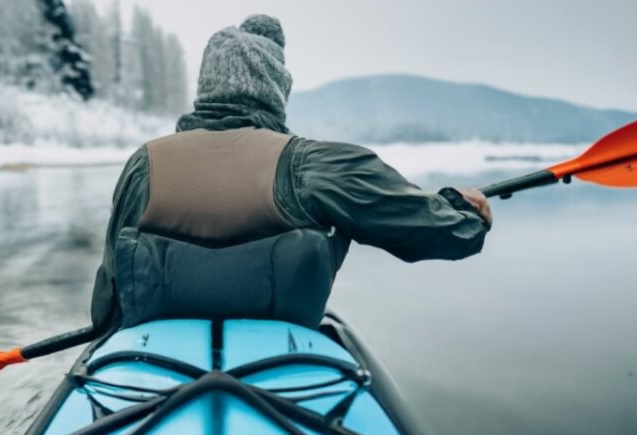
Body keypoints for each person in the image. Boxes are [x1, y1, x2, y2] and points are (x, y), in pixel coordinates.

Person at [89, 14, 492, 332]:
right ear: (276, 90)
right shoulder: (313, 164)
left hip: (155, 359)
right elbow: (440, 231)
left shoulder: (145, 164)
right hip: (282, 358)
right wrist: (464, 212)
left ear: (205, 87)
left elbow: (107, 300)